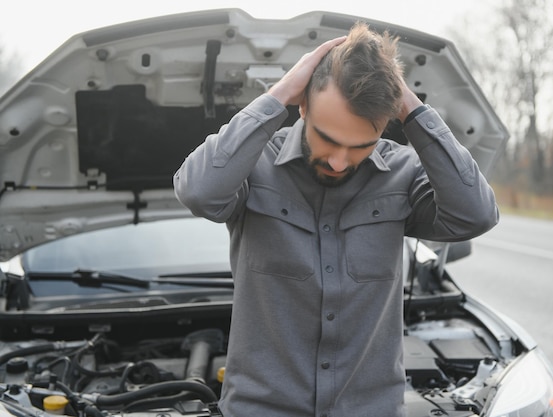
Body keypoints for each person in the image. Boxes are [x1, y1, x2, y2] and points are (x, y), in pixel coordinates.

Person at [174, 22, 498, 417]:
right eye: (328, 138)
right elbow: (198, 191)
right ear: (304, 105)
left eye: (361, 145)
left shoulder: (404, 172)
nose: (339, 161)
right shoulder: (253, 165)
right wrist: (278, 94)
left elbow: (476, 215)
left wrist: (412, 108)